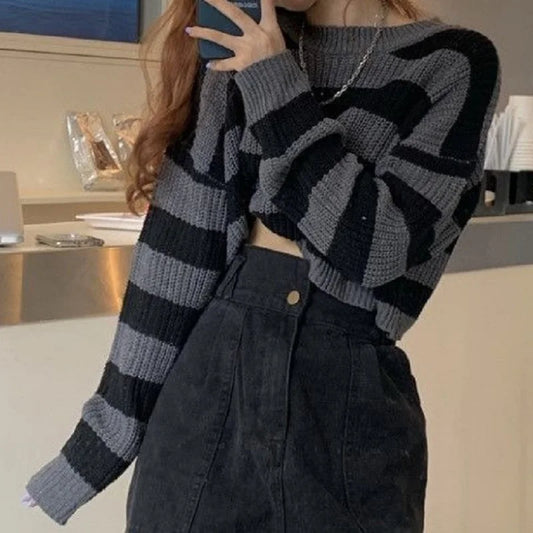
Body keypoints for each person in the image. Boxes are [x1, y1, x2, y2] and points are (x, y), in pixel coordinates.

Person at [23, 0, 501, 531]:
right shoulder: (242, 51)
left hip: (343, 411)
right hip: (206, 395)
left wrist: (272, 80)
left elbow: (377, 249)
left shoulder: (454, 62)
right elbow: (178, 253)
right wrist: (98, 444)